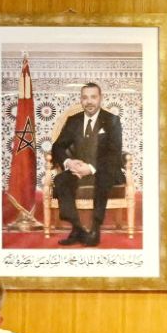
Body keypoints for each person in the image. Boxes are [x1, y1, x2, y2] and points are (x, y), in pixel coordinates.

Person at [50, 81, 124, 246]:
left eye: (93, 97)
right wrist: (69, 162)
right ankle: (77, 228)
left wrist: (90, 169)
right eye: (85, 97)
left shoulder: (112, 120)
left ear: (100, 98)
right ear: (81, 100)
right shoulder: (73, 120)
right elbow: (57, 146)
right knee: (61, 180)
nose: (89, 101)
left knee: (102, 179)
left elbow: (114, 153)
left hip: (104, 170)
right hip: (78, 170)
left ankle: (95, 229)